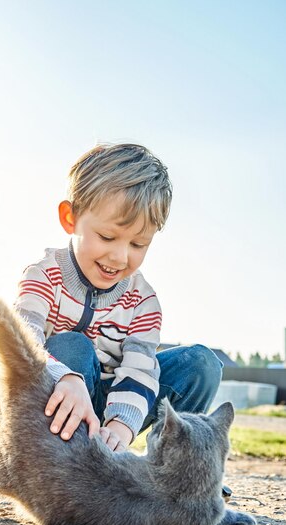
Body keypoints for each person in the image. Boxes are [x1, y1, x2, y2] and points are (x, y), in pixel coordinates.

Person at [14, 143, 223, 452]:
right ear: (70, 218)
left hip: (117, 400)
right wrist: (65, 377)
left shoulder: (143, 302)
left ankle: (166, 470)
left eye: (139, 244)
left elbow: (139, 369)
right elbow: (21, 344)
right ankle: (67, 463)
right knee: (73, 344)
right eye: (107, 237)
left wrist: (121, 426)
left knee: (202, 364)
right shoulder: (44, 276)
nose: (120, 256)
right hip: (57, 399)